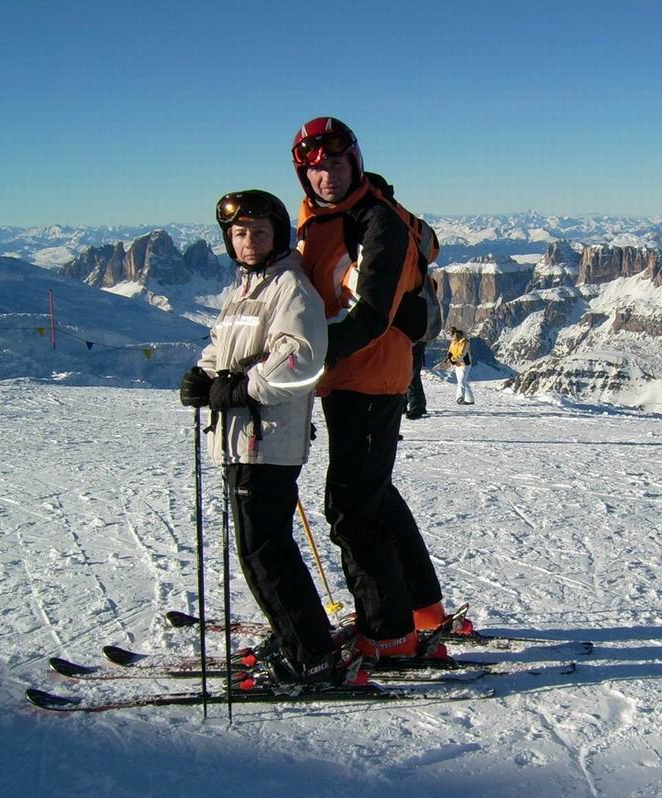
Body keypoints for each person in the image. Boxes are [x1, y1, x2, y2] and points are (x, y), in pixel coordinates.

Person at [290, 116, 469, 660]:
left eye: (336, 163)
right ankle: (421, 610)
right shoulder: (318, 218)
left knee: (352, 508)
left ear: (355, 163)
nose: (326, 175)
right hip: (347, 378)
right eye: (315, 168)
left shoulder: (377, 222)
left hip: (371, 377)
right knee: (375, 496)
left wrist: (296, 364)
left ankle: (388, 632)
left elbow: (369, 314)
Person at [178, 190, 357, 686]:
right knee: (262, 549)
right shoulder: (246, 288)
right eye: (239, 233)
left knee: (264, 552)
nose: (249, 241)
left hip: (267, 439)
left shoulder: (289, 287)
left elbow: (300, 359)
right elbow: (223, 347)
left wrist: (238, 390)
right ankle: (300, 637)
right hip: (242, 437)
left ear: (278, 236)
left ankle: (311, 656)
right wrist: (203, 375)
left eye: (259, 232)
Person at [446, 327, 475, 405]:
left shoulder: (465, 341)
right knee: (462, 381)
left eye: (451, 334)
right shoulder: (454, 342)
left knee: (461, 381)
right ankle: (470, 400)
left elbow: (462, 353)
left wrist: (453, 359)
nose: (451, 337)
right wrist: (449, 355)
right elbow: (451, 350)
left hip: (464, 364)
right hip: (457, 364)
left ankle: (460, 398)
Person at [404, 340, 428, 419]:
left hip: (412, 345)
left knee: (411, 378)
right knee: (410, 377)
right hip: (411, 345)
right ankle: (418, 406)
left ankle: (416, 407)